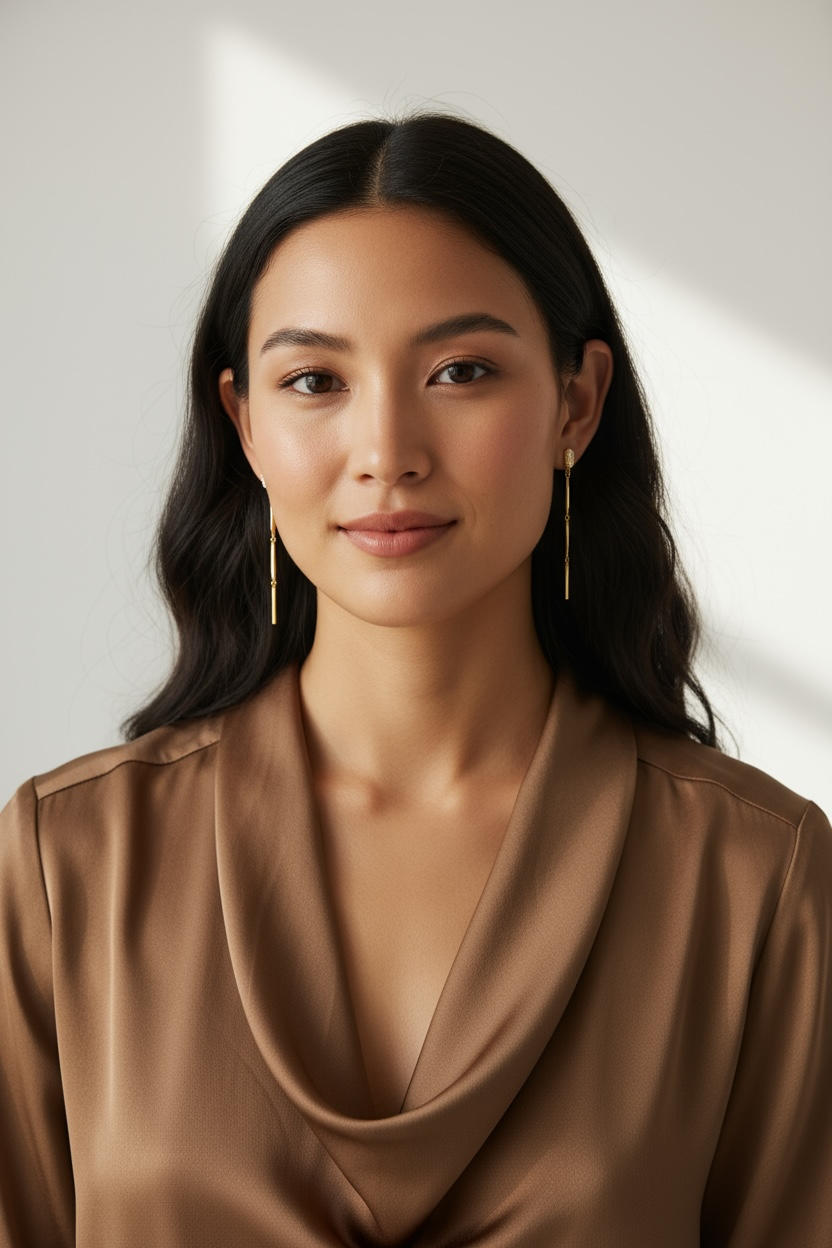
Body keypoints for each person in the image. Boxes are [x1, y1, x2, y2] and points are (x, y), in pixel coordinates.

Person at [1, 111, 830, 1247]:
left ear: (575, 405)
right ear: (242, 421)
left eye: (461, 370)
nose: (386, 448)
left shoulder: (755, 881)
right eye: (313, 381)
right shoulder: (67, 867)